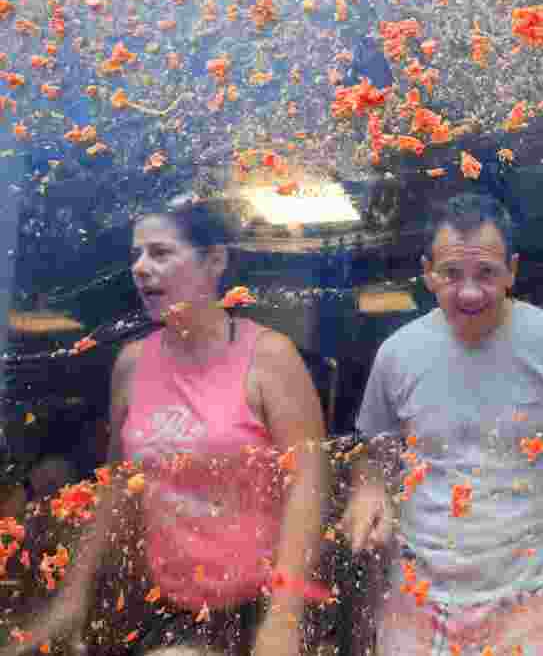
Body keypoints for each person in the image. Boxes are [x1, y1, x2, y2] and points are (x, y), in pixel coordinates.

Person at [6, 195, 327, 656]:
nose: (139, 267)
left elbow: (309, 487)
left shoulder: (270, 358)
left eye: (159, 253)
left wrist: (284, 616)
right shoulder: (133, 364)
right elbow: (115, 487)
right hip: (162, 604)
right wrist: (74, 594)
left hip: (255, 607)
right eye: (136, 254)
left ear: (215, 260)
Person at [340, 191, 543, 655]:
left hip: (537, 589)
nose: (470, 291)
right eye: (452, 274)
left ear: (512, 269)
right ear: (429, 271)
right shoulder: (397, 353)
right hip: (421, 592)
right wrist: (368, 490)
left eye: (487, 273)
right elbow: (372, 450)